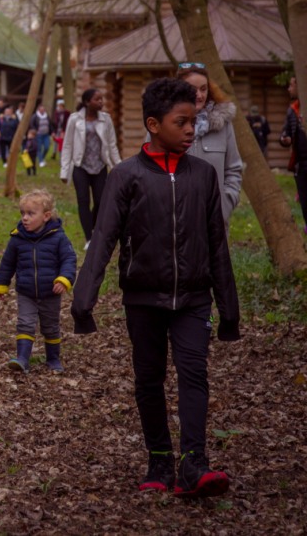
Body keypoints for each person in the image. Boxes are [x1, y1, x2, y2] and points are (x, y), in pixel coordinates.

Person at [72, 77, 240, 498]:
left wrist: (229, 310)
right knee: (148, 379)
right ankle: (160, 460)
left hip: (194, 299)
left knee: (194, 374)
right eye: (181, 122)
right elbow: (104, 237)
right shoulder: (126, 176)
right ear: (153, 124)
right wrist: (83, 301)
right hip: (143, 299)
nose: (189, 129)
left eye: (193, 121)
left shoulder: (202, 175)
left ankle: (193, 463)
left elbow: (217, 242)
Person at [0, 189, 77, 374]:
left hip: (50, 292)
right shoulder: (17, 239)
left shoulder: (58, 238)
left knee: (50, 326)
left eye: (31, 214)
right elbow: (7, 263)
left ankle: (53, 358)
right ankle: (23, 358)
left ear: (46, 216)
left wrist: (64, 280)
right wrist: (1, 284)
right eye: (23, 213)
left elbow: (69, 260)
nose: (25, 218)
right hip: (26, 291)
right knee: (25, 323)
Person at [176, 62, 243, 226]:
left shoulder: (223, 124)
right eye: (192, 89)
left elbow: (233, 169)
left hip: (214, 223)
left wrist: (225, 206)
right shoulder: (164, 123)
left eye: (203, 89)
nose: (199, 95)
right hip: (175, 222)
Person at [59, 88, 122, 249]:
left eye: (102, 99)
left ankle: (93, 226)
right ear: (87, 102)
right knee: (83, 201)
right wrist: (64, 170)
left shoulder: (106, 120)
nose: (101, 102)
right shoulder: (74, 119)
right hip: (80, 166)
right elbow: (67, 145)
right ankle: (89, 238)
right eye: (97, 99)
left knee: (101, 201)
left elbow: (112, 144)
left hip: (100, 165)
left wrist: (119, 166)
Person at [279, 76, 307, 233]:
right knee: (305, 201)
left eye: (291, 86)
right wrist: (285, 139)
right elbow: (285, 133)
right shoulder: (292, 110)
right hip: (301, 164)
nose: (289, 89)